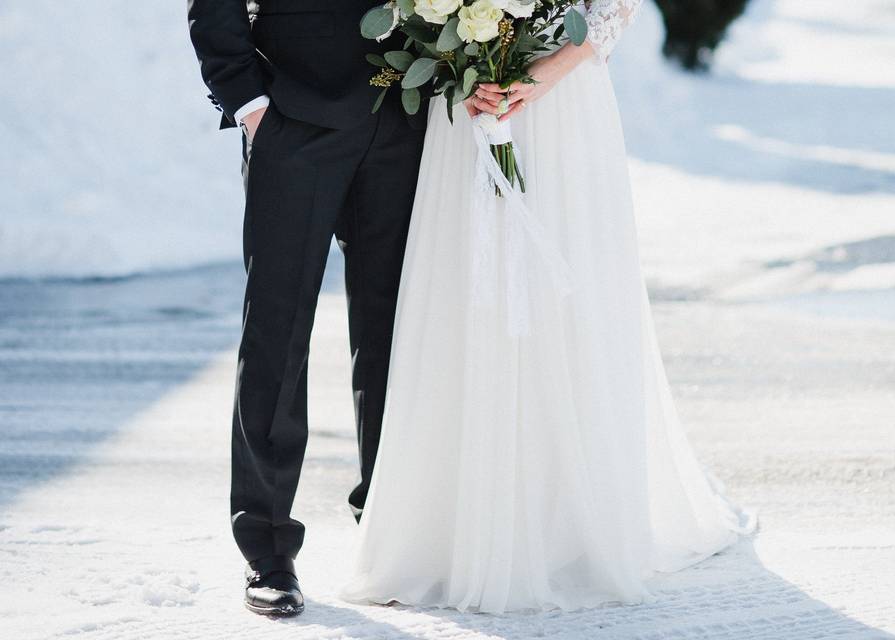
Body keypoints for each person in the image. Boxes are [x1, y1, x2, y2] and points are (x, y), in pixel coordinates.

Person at [342, 0, 756, 613]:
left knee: (559, 291)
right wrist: (455, 53)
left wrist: (536, 78)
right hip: (465, 97)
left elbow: (614, 9)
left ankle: (566, 519)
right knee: (465, 285)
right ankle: (447, 526)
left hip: (563, 105)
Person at [187, 0, 426, 616]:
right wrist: (247, 100)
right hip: (292, 112)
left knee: (397, 333)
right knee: (278, 329)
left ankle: (388, 530)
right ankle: (268, 550)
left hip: (407, 112)